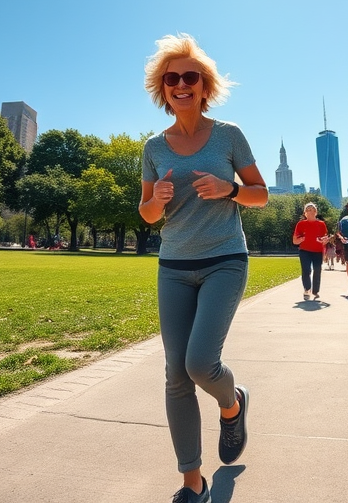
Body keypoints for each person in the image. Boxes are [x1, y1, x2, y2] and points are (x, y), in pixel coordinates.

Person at [139, 33, 268, 503]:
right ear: (163, 87)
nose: (180, 83)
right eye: (171, 77)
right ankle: (192, 481)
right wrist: (156, 200)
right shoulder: (154, 146)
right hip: (173, 265)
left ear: (204, 84)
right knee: (176, 374)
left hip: (224, 260)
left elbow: (261, 195)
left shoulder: (229, 135)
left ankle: (232, 406)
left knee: (199, 363)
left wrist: (230, 188)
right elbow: (146, 213)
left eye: (189, 75)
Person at [292, 202, 330, 300]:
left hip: (317, 251)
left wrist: (325, 240)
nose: (310, 211)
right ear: (305, 213)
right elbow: (294, 240)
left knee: (317, 270)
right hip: (304, 251)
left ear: (316, 212)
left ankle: (315, 291)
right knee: (306, 270)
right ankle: (307, 289)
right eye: (308, 210)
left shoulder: (321, 224)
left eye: (312, 209)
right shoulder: (300, 224)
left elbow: (325, 238)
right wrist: (299, 240)